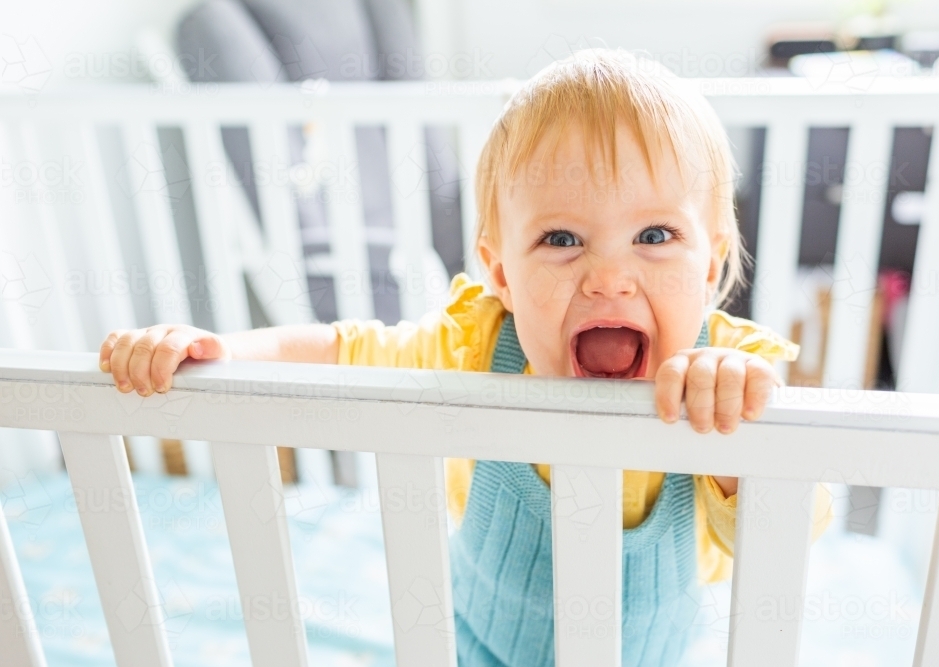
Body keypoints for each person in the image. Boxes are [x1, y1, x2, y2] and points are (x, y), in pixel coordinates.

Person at [100, 48, 829, 666]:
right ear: (501, 273)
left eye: (656, 235)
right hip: (476, 646)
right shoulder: (476, 346)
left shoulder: (729, 379)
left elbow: (794, 525)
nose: (609, 275)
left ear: (711, 266)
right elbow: (339, 350)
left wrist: (741, 438)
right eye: (562, 239)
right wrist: (224, 350)